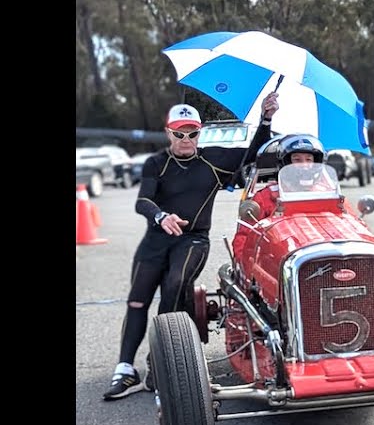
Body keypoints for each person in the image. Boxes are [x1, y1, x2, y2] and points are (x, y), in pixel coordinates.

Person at [103, 93, 280, 400]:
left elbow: (254, 154)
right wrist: (161, 216)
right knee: (137, 301)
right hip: (156, 239)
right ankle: (125, 369)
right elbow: (143, 201)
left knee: (175, 284)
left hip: (193, 239)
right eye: (179, 133)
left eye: (192, 133)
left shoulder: (213, 159)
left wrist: (266, 119)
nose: (186, 140)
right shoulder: (156, 163)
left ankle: (159, 364)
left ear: (200, 133)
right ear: (168, 133)